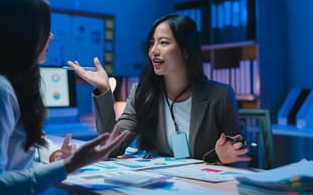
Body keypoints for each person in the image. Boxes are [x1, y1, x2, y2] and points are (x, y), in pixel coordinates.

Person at [0, 0, 129, 195]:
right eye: (44, 27)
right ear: (21, 30)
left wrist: (56, 161)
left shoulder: (2, 85)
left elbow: (12, 168)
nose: (51, 36)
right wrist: (71, 164)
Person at [68, 14, 251, 164]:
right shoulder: (142, 92)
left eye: (163, 43)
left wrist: (226, 157)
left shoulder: (220, 96)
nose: (153, 50)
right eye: (151, 43)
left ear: (186, 50)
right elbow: (112, 147)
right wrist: (103, 90)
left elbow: (239, 154)